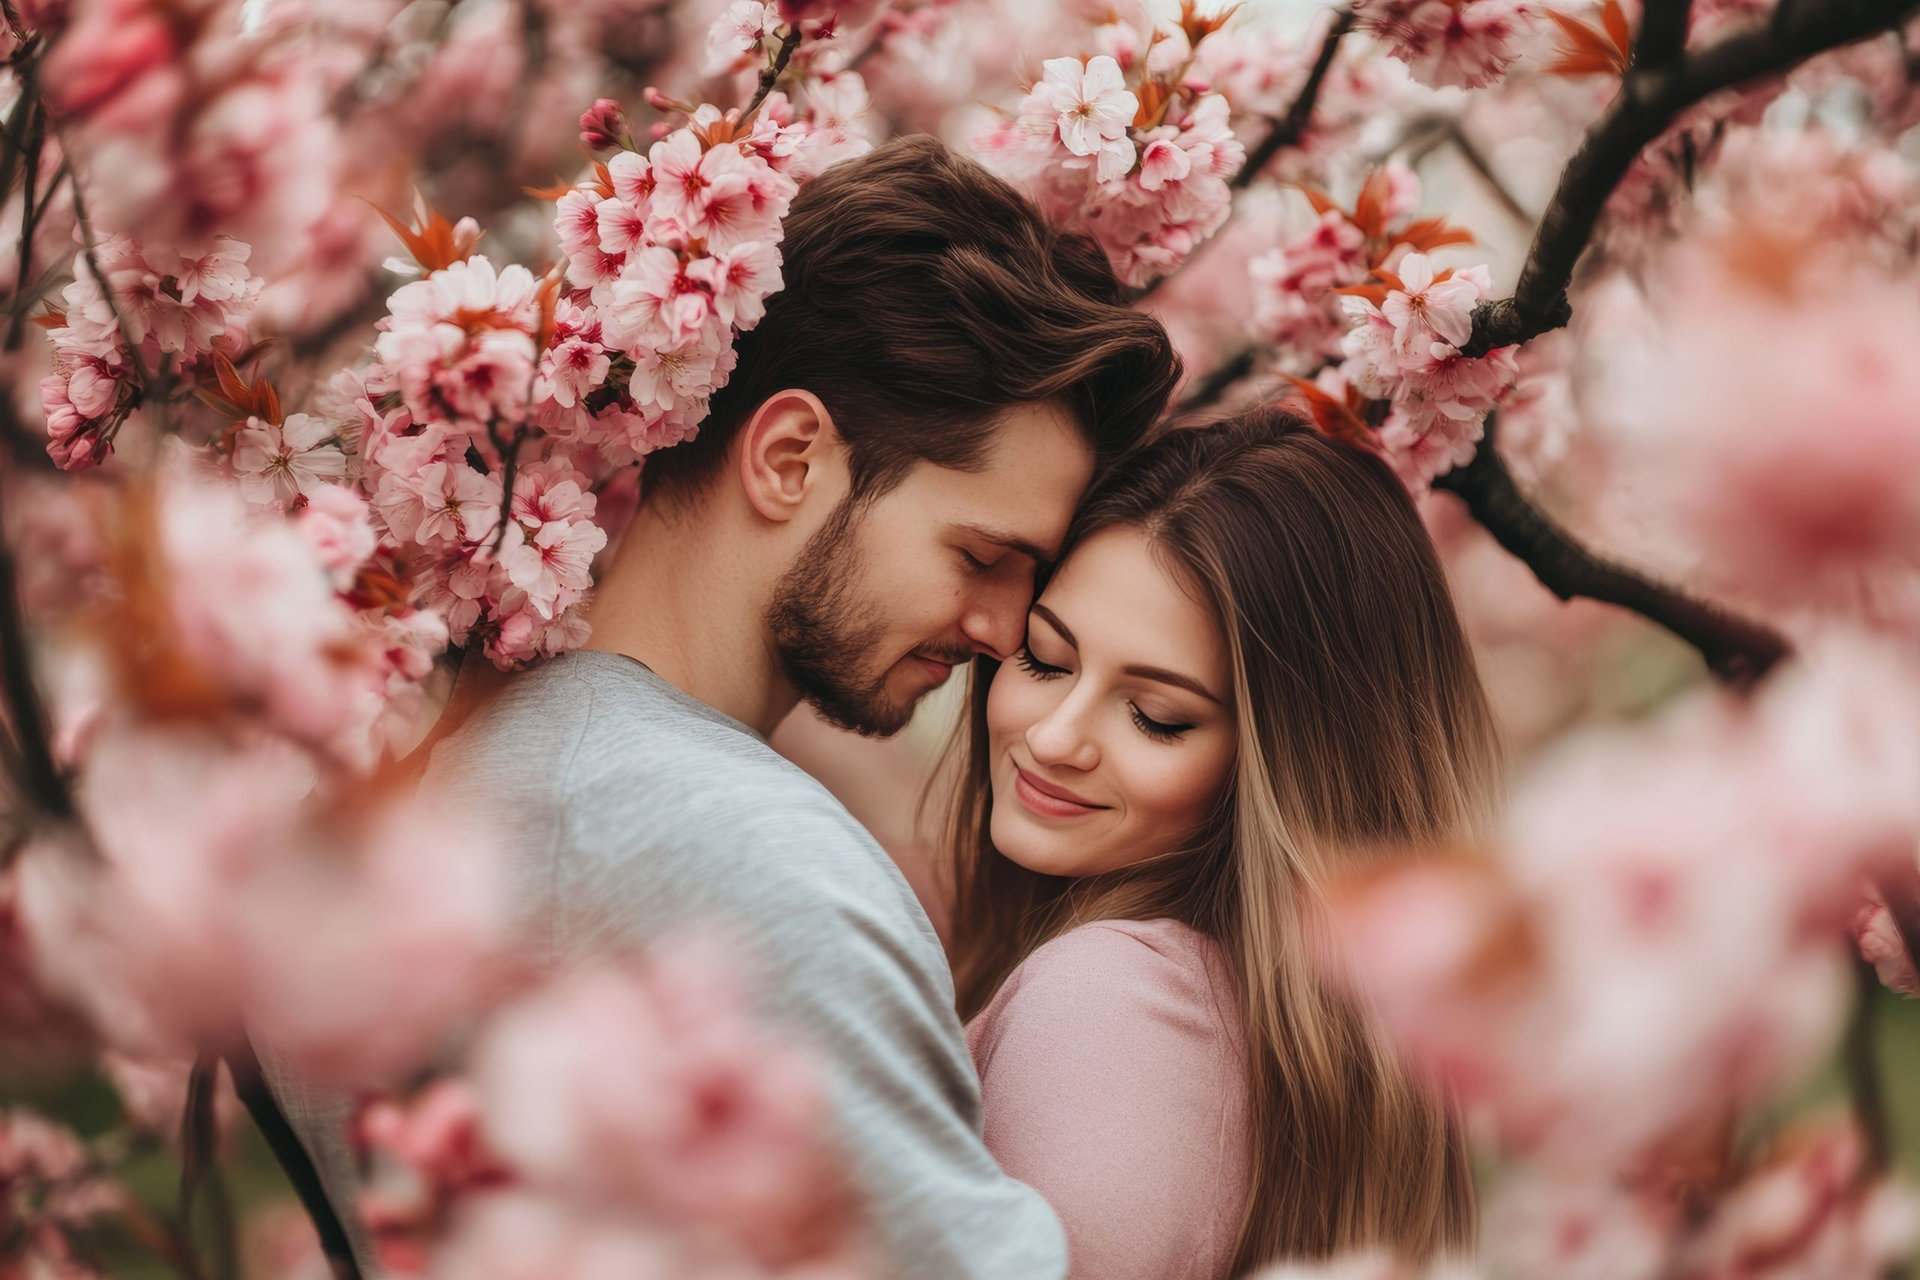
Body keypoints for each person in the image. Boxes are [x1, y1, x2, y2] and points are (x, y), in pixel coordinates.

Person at [266, 134, 1181, 1278]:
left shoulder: (438, 784)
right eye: (983, 554)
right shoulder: (754, 861)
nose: (1004, 629)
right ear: (790, 454)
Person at [945, 409, 1503, 1280]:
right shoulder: (1282, 1043)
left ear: (1283, 767)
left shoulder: (1109, 1001)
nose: (1055, 737)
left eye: (1156, 716)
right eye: (1047, 660)